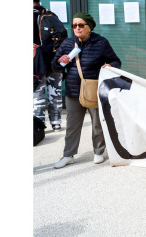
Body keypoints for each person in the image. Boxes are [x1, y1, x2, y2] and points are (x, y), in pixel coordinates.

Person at [51, 12, 121, 168]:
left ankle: (98, 152)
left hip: (93, 90)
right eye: (74, 25)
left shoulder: (101, 43)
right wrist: (59, 61)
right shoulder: (68, 44)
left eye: (81, 25)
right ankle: (68, 155)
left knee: (97, 124)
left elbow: (116, 61)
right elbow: (54, 67)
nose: (77, 28)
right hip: (73, 91)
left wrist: (110, 66)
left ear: (89, 27)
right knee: (72, 126)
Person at [33, 0, 65, 132]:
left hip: (35, 63)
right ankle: (56, 122)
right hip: (53, 61)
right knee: (55, 92)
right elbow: (62, 35)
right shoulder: (50, 15)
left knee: (37, 94)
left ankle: (38, 126)